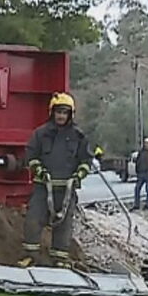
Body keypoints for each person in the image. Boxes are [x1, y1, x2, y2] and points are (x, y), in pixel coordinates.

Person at [19, 92, 92, 269]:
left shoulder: (78, 136)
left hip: (66, 190)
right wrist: (39, 170)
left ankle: (59, 259)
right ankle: (31, 256)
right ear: (52, 113)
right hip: (43, 188)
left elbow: (86, 160)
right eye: (58, 112)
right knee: (33, 220)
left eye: (64, 112)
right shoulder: (40, 134)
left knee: (64, 226)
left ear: (70, 114)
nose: (61, 116)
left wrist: (79, 175)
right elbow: (31, 155)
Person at [133, 137, 148, 210]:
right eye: (145, 143)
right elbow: (137, 161)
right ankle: (136, 205)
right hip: (140, 173)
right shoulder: (141, 152)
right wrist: (137, 170)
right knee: (137, 189)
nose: (147, 144)